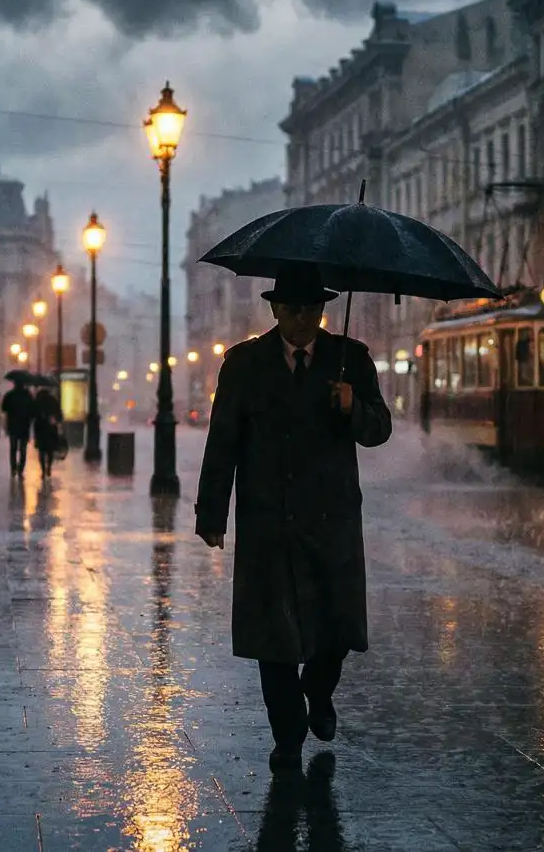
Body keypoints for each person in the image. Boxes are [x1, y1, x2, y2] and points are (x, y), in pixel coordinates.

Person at [193, 263, 392, 774]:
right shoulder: (244, 363)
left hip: (332, 517)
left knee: (336, 628)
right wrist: (212, 512)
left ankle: (319, 694)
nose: (302, 319)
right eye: (292, 309)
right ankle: (287, 735)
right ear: (275, 309)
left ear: (323, 310)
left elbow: (379, 431)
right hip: (268, 518)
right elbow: (224, 442)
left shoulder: (351, 359)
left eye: (311, 309)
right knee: (272, 636)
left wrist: (353, 409)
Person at [1, 382, 37, 478]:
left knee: (13, 448)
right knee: (23, 449)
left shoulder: (10, 395)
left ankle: (13, 468)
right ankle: (21, 468)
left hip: (13, 425)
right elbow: (33, 411)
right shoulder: (28, 396)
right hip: (24, 426)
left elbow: (4, 408)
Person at [33, 387, 63, 479]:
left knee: (41, 450)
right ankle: (48, 467)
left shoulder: (37, 401)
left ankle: (43, 470)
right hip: (50, 427)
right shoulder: (53, 400)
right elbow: (59, 414)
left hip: (40, 427)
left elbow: (32, 413)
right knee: (50, 449)